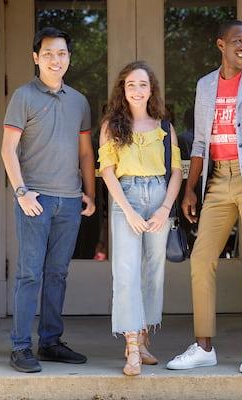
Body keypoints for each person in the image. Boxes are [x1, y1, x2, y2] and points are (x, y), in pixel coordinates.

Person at [166, 19, 242, 373]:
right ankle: (204, 345)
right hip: (217, 181)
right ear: (221, 44)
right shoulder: (206, 85)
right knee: (202, 259)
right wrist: (190, 188)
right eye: (238, 41)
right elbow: (201, 142)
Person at [1, 27, 96, 373]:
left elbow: (86, 153)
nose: (56, 60)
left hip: (70, 201)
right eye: (49, 54)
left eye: (62, 54)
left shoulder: (79, 101)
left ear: (69, 58)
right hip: (35, 200)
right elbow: (8, 148)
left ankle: (51, 342)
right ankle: (21, 346)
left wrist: (90, 193)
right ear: (35, 58)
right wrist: (21, 192)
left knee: (57, 274)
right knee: (29, 275)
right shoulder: (24, 96)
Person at [98, 61, 183, 376]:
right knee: (126, 272)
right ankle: (131, 348)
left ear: (152, 90)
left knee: (153, 272)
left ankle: (144, 340)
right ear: (123, 88)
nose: (136, 90)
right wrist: (129, 210)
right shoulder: (111, 126)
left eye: (142, 84)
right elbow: (107, 171)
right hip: (127, 196)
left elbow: (176, 172)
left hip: (159, 197)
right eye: (131, 84)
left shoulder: (164, 127)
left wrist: (164, 209)